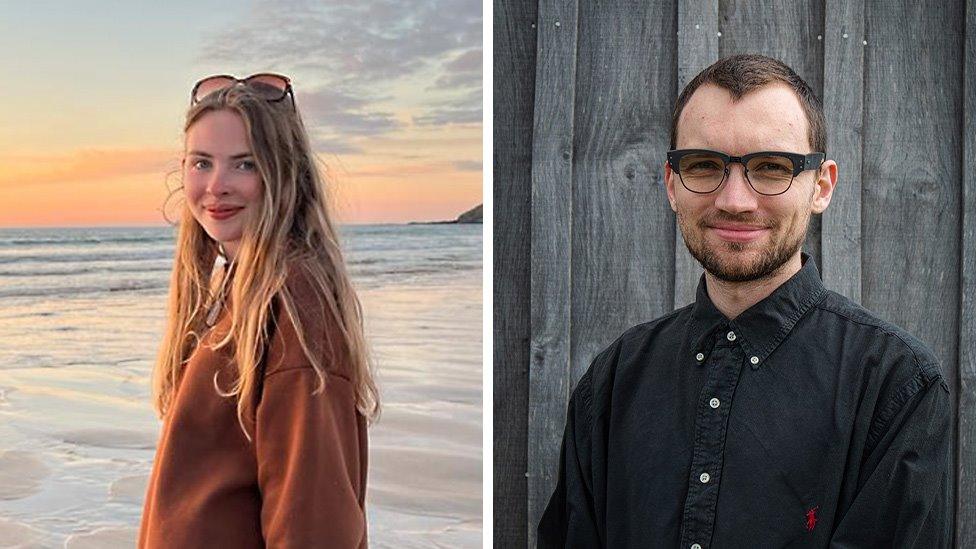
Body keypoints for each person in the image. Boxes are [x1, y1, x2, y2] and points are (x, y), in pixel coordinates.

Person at [537, 54, 951, 548]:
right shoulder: (612, 381)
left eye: (772, 167)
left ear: (821, 186)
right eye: (705, 165)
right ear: (672, 184)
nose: (735, 200)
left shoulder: (896, 386)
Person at [138, 73, 379, 548]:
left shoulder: (294, 298)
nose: (216, 186)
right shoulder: (237, 286)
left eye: (245, 165)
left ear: (285, 174)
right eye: (201, 163)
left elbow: (313, 521)